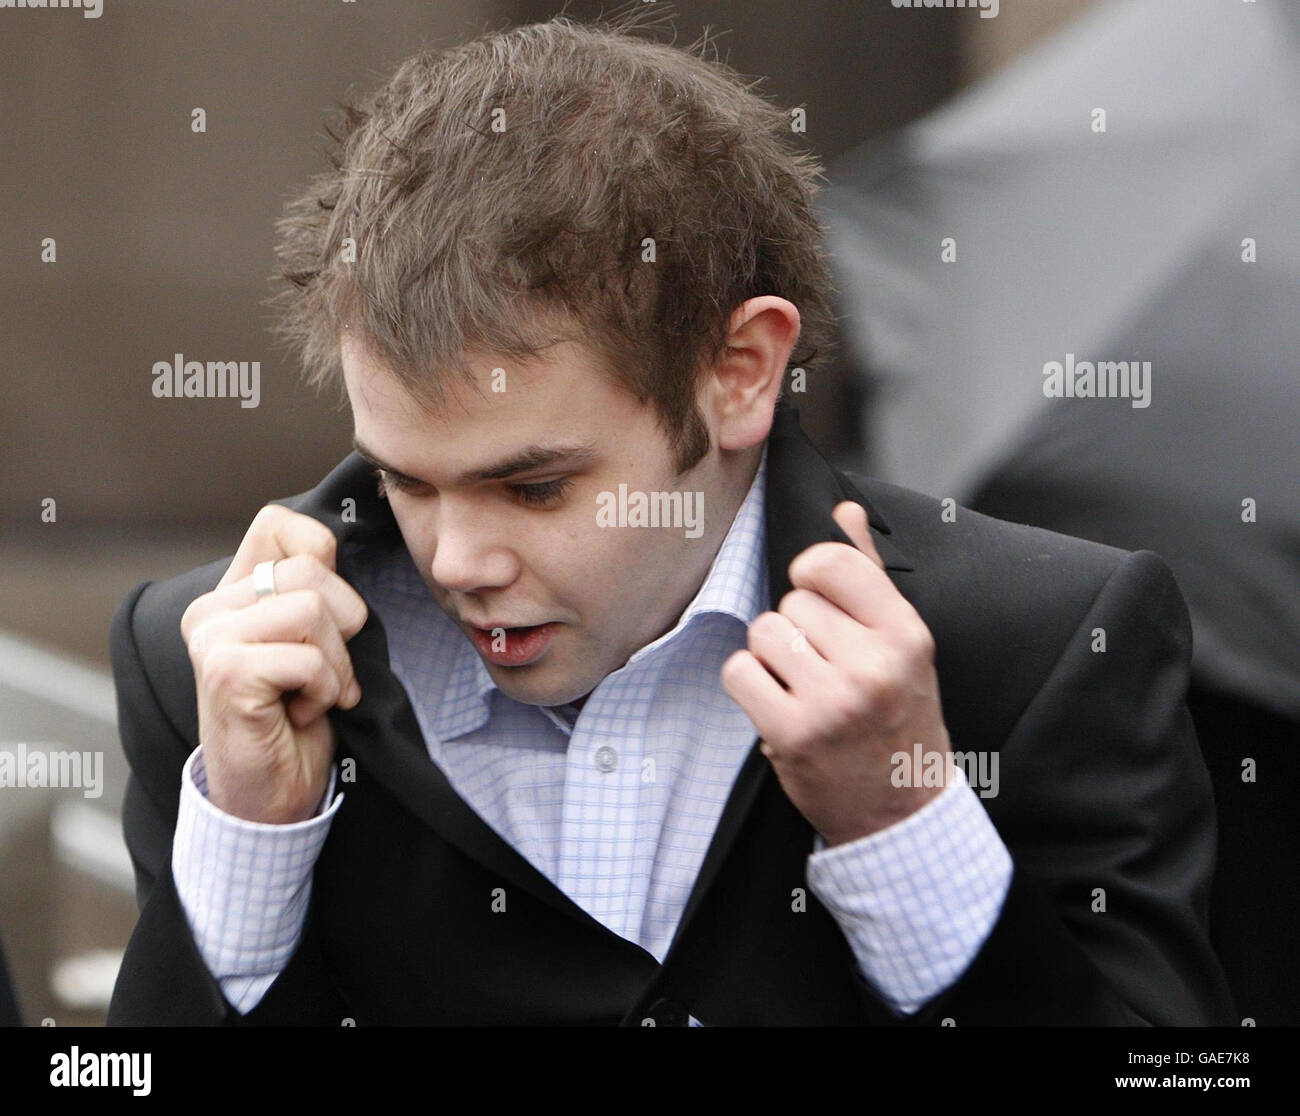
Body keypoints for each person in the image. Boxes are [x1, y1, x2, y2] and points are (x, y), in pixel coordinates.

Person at [106, 11, 1232, 1026]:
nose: (457, 560)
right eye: (404, 478)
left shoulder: (1043, 640)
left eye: (535, 486)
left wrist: (904, 828)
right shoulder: (210, 667)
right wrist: (254, 841)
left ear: (740, 370)